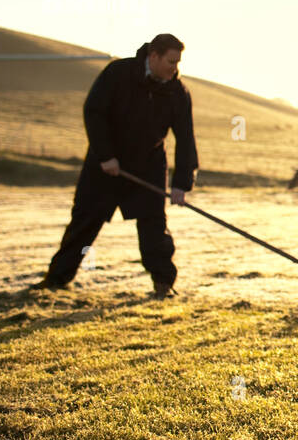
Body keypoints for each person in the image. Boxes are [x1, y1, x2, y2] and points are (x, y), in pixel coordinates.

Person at [31, 33, 199, 298]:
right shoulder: (118, 74)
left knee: (154, 228)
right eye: (170, 61)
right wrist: (106, 156)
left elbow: (186, 137)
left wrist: (181, 184)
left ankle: (163, 285)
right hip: (105, 166)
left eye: (178, 62)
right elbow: (94, 112)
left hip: (149, 166)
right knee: (84, 222)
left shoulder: (177, 92)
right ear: (153, 56)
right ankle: (56, 281)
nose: (175, 68)